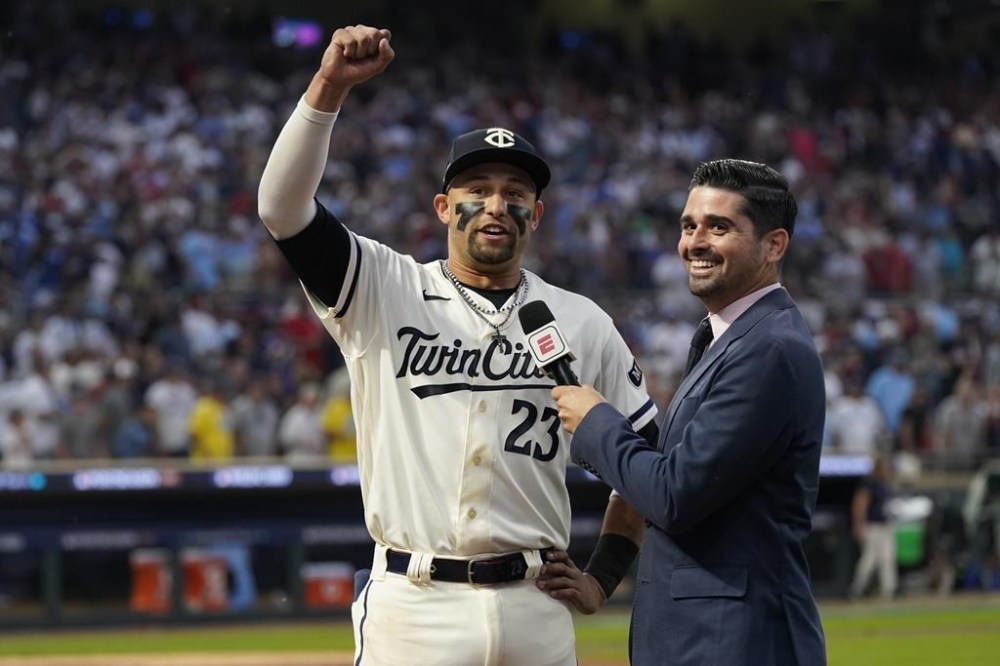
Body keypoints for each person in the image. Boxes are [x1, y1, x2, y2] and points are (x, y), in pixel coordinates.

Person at [256, 24, 658, 666]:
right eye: (477, 191)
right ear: (444, 207)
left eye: (516, 194)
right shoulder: (382, 289)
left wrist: (602, 577)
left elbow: (645, 463)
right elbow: (280, 207)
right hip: (414, 607)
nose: (496, 205)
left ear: (537, 214)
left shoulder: (582, 321)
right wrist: (329, 86)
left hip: (536, 603)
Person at [545, 159, 827, 665]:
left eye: (719, 227)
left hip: (734, 642)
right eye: (688, 225)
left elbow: (673, 495)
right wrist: (600, 580)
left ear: (774, 245)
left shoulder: (769, 350)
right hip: (706, 637)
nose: (695, 242)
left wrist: (596, 420)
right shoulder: (726, 337)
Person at [848, 455, 897, 600]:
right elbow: (859, 505)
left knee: (888, 558)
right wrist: (858, 525)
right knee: (869, 560)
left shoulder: (885, 484)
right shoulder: (869, 483)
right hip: (872, 526)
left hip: (885, 525)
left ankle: (888, 591)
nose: (887, 471)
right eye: (885, 468)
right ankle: (856, 589)